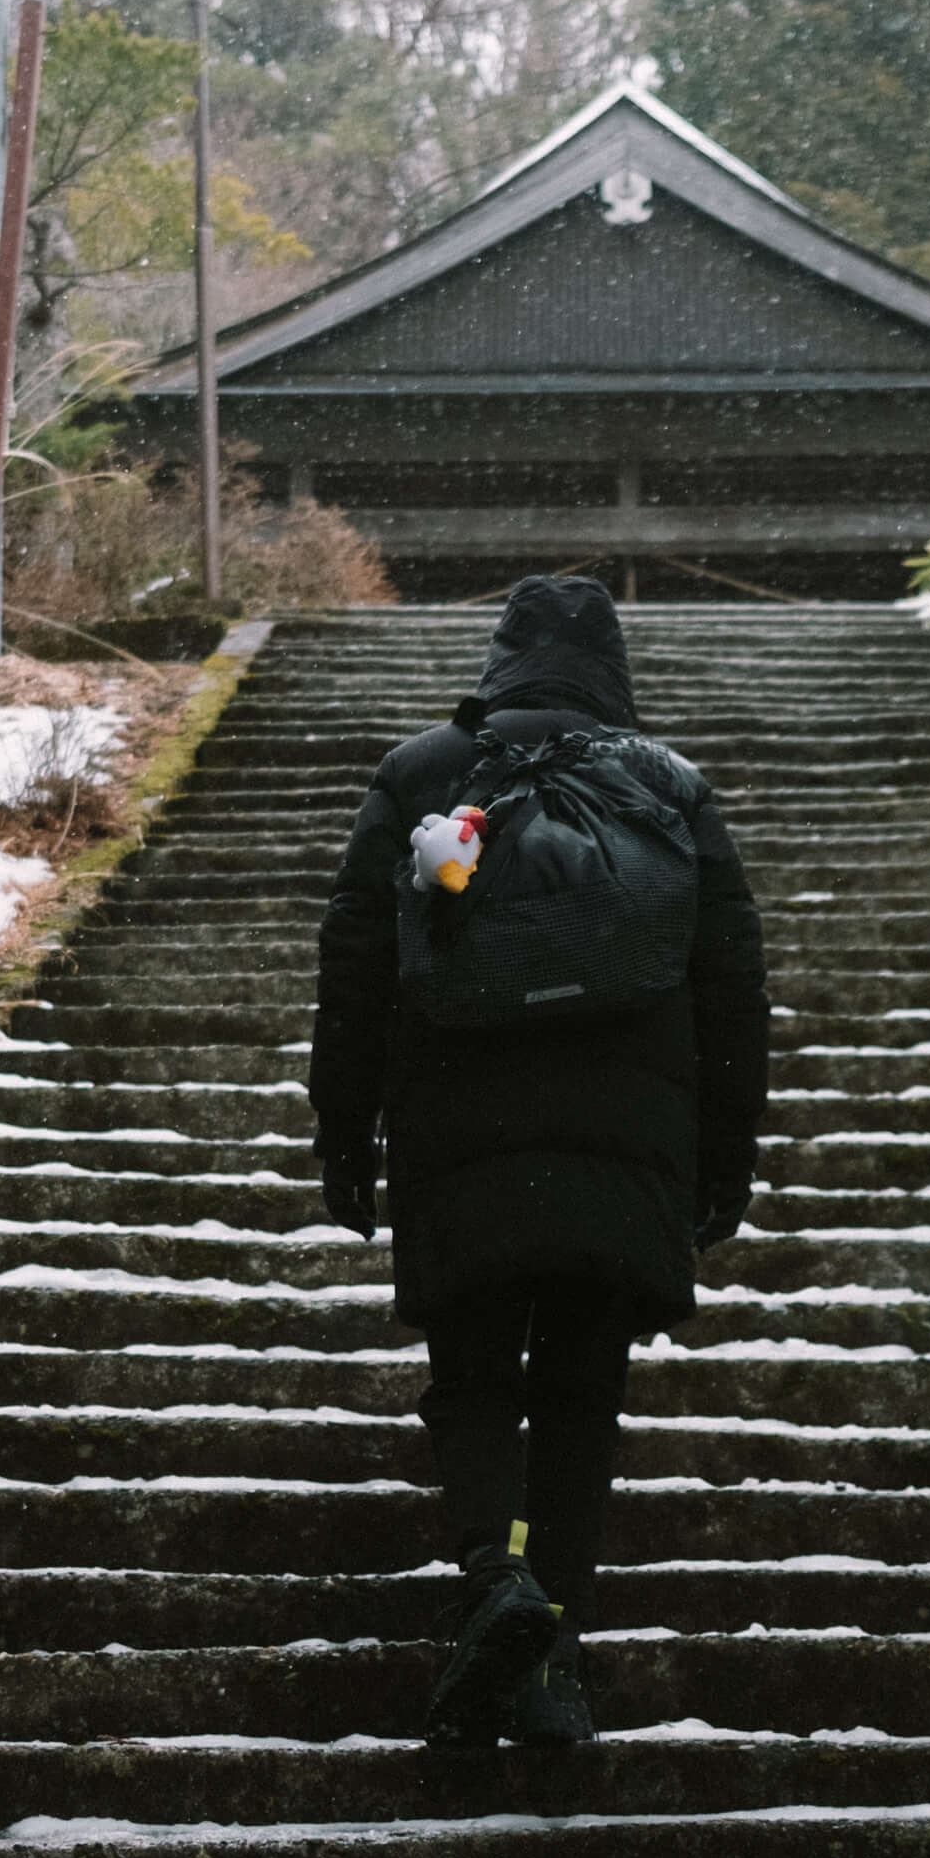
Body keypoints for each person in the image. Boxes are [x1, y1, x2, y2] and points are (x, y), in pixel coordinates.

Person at [311, 578, 771, 1747]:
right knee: (580, 1395)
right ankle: (553, 1653)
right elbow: (732, 983)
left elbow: (354, 966)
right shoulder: (666, 785)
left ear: (500, 658)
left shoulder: (422, 773)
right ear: (613, 670)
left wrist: (343, 1137)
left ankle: (492, 1578)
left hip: (456, 1129)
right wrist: (726, 1157)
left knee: (472, 1375)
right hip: (630, 1142)